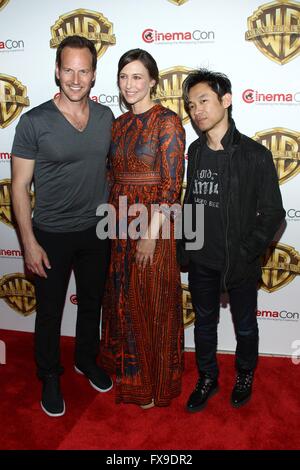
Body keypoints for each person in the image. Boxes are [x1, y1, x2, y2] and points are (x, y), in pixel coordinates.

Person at [11, 35, 114, 417]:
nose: (75, 78)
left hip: (96, 230)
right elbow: (19, 187)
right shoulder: (34, 121)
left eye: (83, 70)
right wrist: (28, 243)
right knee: (50, 312)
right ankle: (49, 375)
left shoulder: (106, 118)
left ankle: (86, 359)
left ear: (93, 74)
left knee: (91, 303)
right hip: (51, 233)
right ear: (57, 72)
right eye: (68, 69)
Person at [179, 68, 285, 412]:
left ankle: (244, 375)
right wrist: (186, 247)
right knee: (204, 326)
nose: (198, 110)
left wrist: (246, 252)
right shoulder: (194, 151)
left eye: (204, 100)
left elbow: (273, 213)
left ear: (226, 100)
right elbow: (191, 202)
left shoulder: (255, 154)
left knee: (245, 327)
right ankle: (207, 378)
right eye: (191, 104)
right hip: (202, 260)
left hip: (240, 262)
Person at [99, 48, 185, 408]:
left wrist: (150, 233)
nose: (129, 84)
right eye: (123, 76)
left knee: (151, 301)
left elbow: (172, 184)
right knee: (121, 300)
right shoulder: (117, 125)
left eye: (137, 77)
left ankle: (154, 383)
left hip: (154, 224)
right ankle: (130, 375)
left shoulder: (168, 121)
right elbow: (109, 175)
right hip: (118, 222)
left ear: (153, 81)